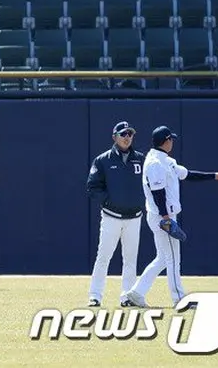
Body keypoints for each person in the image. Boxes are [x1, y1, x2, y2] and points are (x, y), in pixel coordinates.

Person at [124, 126, 218, 308]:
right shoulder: (155, 163)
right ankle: (180, 299)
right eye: (171, 139)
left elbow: (188, 175)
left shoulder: (166, 161)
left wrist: (215, 176)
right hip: (161, 216)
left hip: (162, 215)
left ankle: (136, 293)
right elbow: (158, 193)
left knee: (163, 258)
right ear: (166, 141)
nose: (172, 142)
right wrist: (166, 219)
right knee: (174, 258)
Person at [86, 121, 146, 307]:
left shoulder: (141, 159)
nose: (127, 137)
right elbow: (92, 186)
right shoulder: (103, 160)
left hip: (134, 217)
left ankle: (127, 297)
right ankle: (95, 296)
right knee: (103, 257)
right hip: (111, 216)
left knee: (130, 260)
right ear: (114, 137)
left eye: (130, 134)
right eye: (123, 134)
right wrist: (109, 201)